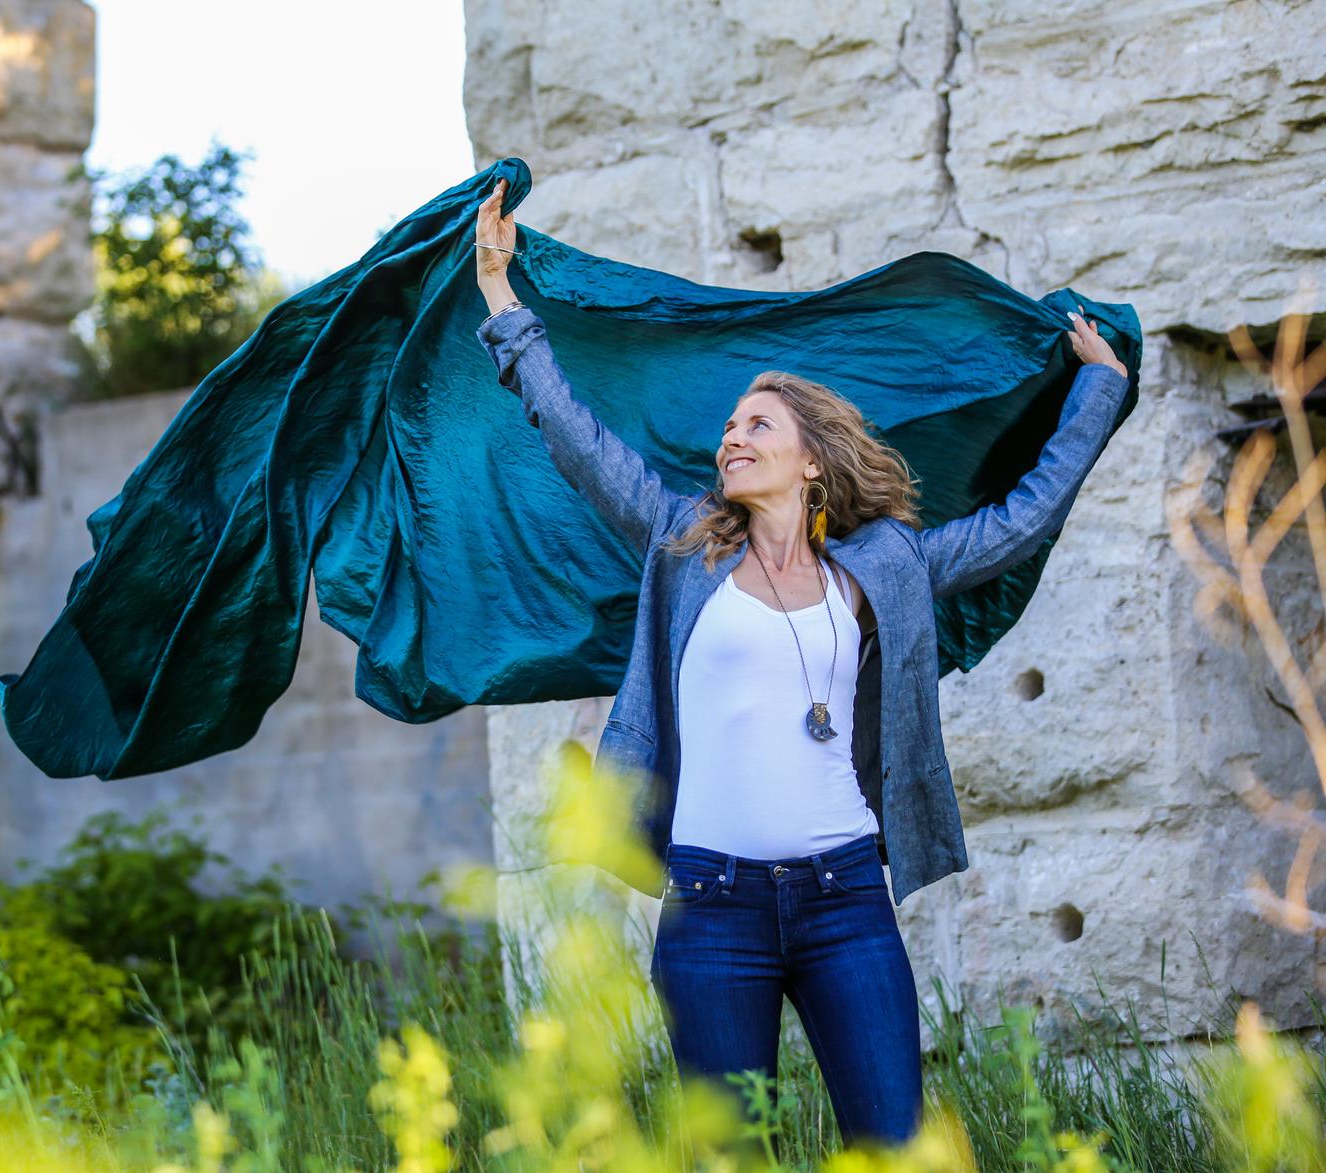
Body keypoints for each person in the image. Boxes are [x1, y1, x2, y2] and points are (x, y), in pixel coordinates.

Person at [470, 176, 1132, 1147]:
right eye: (729, 427)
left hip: (845, 902)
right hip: (709, 909)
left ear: (811, 459)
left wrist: (1099, 388)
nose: (731, 438)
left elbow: (1020, 519)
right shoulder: (681, 542)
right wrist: (499, 290)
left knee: (894, 1150)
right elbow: (574, 435)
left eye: (757, 426)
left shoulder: (883, 566)